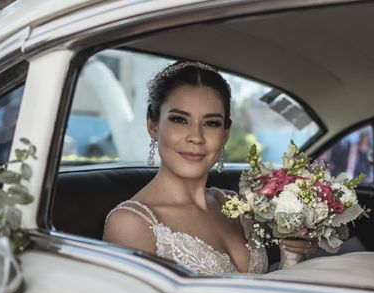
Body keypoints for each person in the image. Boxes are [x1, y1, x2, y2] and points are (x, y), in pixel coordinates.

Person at [103, 61, 316, 274]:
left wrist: (294, 257)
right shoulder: (130, 224)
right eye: (179, 119)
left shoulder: (233, 205)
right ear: (153, 126)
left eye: (211, 123)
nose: (196, 137)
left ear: (225, 134)